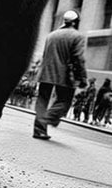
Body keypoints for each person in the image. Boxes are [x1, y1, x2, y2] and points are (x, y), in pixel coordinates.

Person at [33, 11, 88, 140]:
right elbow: (78, 58)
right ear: (75, 22)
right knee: (64, 101)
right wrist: (82, 77)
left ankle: (39, 130)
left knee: (42, 100)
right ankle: (47, 118)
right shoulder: (77, 36)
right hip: (64, 74)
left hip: (46, 72)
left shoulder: (51, 35)